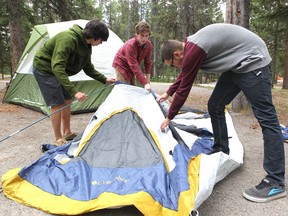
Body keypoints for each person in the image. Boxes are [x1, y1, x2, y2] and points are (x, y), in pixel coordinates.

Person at [156, 23, 286, 203]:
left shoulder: (194, 50)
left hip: (252, 61)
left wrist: (169, 117)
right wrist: (168, 92)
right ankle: (221, 147)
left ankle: (276, 182)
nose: (176, 68)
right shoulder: (192, 48)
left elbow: (185, 87)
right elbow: (184, 76)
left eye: (173, 65)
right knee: (215, 105)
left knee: (267, 119)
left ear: (177, 54)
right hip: (236, 65)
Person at [33, 19, 115, 146]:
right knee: (57, 103)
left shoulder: (87, 46)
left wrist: (104, 79)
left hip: (57, 71)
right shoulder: (68, 39)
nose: (101, 43)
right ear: (94, 36)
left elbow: (88, 68)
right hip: (44, 69)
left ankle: (67, 132)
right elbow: (57, 67)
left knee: (67, 99)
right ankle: (58, 137)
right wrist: (75, 91)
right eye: (101, 40)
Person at [112, 20, 152, 91]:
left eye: (147, 36)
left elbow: (147, 63)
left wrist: (148, 79)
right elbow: (134, 66)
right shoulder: (130, 46)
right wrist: (145, 83)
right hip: (121, 66)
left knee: (133, 88)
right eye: (142, 35)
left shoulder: (148, 45)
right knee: (125, 89)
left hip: (131, 68)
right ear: (136, 34)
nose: (144, 39)